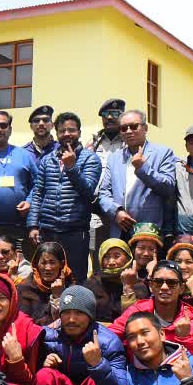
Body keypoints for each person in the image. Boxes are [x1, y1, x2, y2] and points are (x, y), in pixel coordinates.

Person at [26, 112, 101, 283]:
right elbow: (38, 193)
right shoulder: (47, 160)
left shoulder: (91, 159)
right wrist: (32, 225)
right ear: (57, 133)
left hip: (75, 232)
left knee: (74, 280)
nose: (67, 134)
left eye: (71, 130)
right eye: (62, 130)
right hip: (48, 231)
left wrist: (71, 167)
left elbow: (88, 193)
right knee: (46, 279)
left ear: (79, 133)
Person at [97, 110, 176, 240]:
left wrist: (142, 168)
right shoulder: (114, 158)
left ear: (145, 128)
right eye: (123, 128)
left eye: (134, 126)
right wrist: (116, 212)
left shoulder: (163, 153)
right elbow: (104, 192)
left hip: (148, 231)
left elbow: (168, 187)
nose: (128, 131)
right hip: (119, 230)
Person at [0, 110, 39, 271]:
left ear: (10, 129)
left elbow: (38, 184)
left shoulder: (23, 155)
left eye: (3, 125)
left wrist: (29, 202)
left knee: (18, 269)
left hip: (17, 225)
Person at [110, 261, 193, 359]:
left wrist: (183, 338)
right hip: (137, 372)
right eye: (158, 282)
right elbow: (109, 338)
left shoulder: (192, 323)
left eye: (172, 283)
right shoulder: (137, 311)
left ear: (181, 288)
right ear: (151, 286)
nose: (164, 287)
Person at [87, 99, 127, 273]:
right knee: (98, 259)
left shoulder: (130, 142)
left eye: (115, 114)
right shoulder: (91, 144)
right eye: (105, 114)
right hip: (96, 212)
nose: (110, 117)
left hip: (122, 212)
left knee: (121, 259)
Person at [17, 242, 73, 327]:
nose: (47, 268)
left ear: (61, 264)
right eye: (43, 263)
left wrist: (58, 296)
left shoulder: (71, 289)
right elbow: (24, 323)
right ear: (36, 265)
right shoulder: (25, 288)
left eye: (52, 262)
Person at [83, 238, 135, 324]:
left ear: (128, 258)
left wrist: (128, 287)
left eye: (117, 256)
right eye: (106, 257)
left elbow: (134, 319)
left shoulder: (137, 284)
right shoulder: (92, 284)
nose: (111, 262)